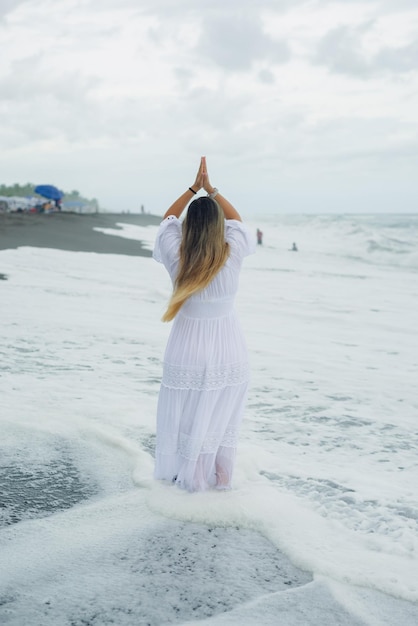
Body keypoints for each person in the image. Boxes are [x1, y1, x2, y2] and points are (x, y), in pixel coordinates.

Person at [152, 157, 254, 492]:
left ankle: (186, 483)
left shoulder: (177, 257)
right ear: (218, 227)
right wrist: (212, 190)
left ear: (188, 227)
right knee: (219, 417)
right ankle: (216, 482)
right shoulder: (232, 253)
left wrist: (194, 188)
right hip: (229, 349)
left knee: (187, 417)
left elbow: (168, 219)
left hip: (187, 347)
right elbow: (238, 221)